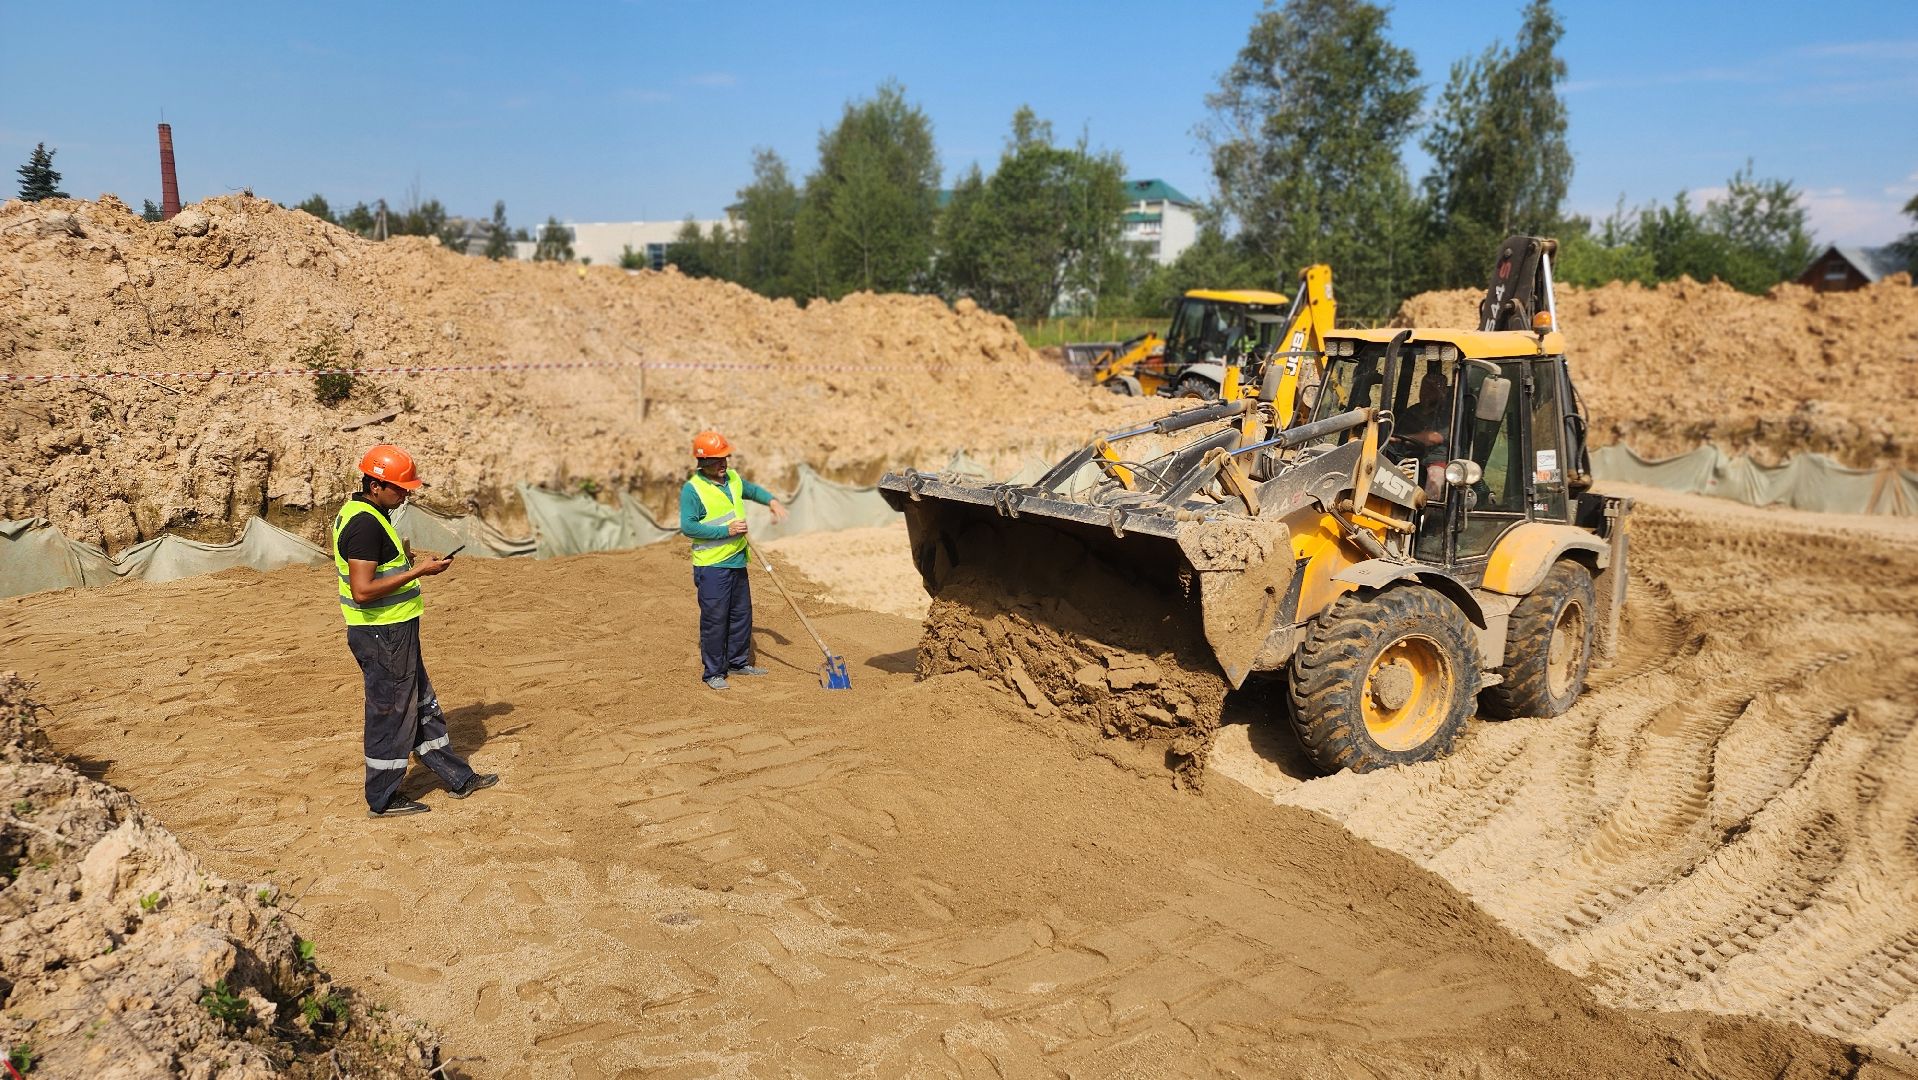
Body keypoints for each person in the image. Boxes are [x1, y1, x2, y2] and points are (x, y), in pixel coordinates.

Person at [333, 444, 498, 818]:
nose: (405, 494)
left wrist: (410, 567)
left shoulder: (365, 513)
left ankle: (457, 777)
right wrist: (418, 571)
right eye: (399, 488)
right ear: (375, 485)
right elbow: (362, 590)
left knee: (421, 702)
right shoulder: (364, 524)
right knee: (390, 713)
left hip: (394, 632)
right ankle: (383, 798)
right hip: (381, 634)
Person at [680, 430, 788, 690]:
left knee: (741, 615)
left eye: (725, 458)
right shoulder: (693, 490)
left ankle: (738, 662)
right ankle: (714, 672)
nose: (723, 464)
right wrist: (725, 531)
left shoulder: (732, 478)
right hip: (712, 566)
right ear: (703, 463)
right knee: (715, 619)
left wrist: (770, 500)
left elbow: (750, 490)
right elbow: (688, 527)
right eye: (718, 460)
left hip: (738, 560)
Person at [1392, 369, 1454, 500]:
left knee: (1434, 477)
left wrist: (1407, 438)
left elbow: (1434, 437)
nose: (1425, 393)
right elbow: (1395, 435)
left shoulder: (1447, 413)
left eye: (1431, 389)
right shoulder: (1411, 412)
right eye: (1424, 388)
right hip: (1408, 457)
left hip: (1438, 460)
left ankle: (1428, 514)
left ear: (1441, 392)